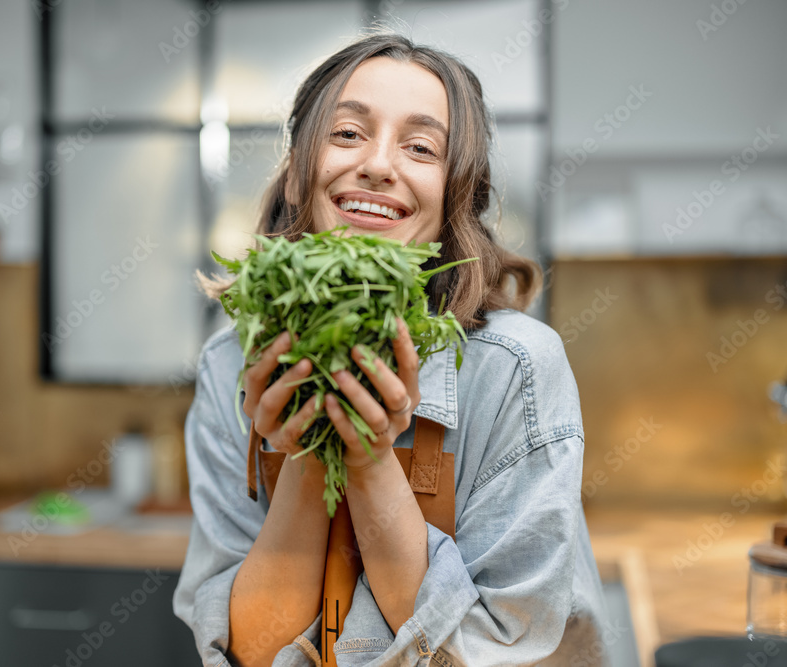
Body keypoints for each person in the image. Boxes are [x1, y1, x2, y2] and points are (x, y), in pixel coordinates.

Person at [173, 32, 611, 667]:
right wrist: (309, 447)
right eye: (347, 134)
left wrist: (371, 457)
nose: (379, 164)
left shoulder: (516, 368)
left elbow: (496, 652)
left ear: (453, 194)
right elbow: (253, 652)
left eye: (421, 147)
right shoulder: (227, 365)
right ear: (298, 170)